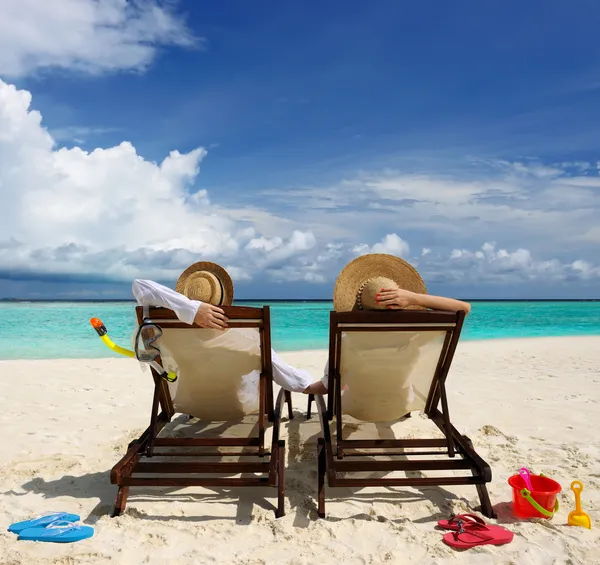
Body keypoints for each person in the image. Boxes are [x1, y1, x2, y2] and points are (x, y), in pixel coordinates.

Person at [132, 261, 316, 394]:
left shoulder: (171, 333)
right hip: (236, 407)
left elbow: (140, 286)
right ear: (224, 298)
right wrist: (305, 384)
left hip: (190, 402)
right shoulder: (241, 337)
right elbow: (273, 363)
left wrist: (190, 310)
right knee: (264, 355)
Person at [302, 253, 472, 395]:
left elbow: (328, 385)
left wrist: (304, 388)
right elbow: (464, 308)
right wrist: (414, 298)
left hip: (356, 404)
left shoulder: (347, 337)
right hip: (401, 403)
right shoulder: (416, 334)